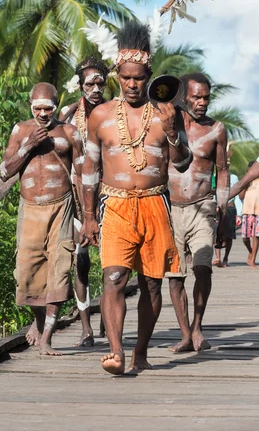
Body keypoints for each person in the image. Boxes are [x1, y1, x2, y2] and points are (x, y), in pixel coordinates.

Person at [81, 20, 192, 375]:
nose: (132, 84)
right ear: (117, 73)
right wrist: (88, 216)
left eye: (139, 77)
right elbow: (88, 172)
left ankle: (140, 352)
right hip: (113, 205)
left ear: (150, 75)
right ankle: (115, 352)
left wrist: (173, 131)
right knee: (113, 277)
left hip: (155, 204)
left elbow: (184, 162)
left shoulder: (167, 115)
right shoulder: (100, 116)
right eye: (126, 77)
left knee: (151, 284)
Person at [0, 82, 83, 355]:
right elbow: (5, 171)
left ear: (56, 107)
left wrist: (88, 217)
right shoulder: (20, 130)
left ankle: (47, 337)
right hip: (30, 208)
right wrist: (28, 146)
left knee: (60, 270)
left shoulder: (70, 133)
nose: (43, 114)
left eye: (49, 108)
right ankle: (38, 320)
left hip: (62, 206)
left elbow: (81, 178)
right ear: (30, 105)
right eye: (38, 108)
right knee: (27, 273)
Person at [167, 73, 229, 353]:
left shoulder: (216, 129)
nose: (202, 102)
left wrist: (224, 209)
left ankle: (197, 328)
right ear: (183, 96)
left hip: (203, 206)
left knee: (203, 268)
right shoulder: (167, 125)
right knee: (175, 275)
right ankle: (184, 334)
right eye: (196, 96)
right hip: (170, 208)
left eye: (206, 97)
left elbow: (223, 170)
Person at [59, 57, 110, 348]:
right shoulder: (66, 116)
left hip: (108, 194)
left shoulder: (114, 113)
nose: (95, 88)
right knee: (81, 261)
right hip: (77, 196)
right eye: (89, 83)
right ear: (80, 85)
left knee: (111, 261)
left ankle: (108, 316)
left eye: (100, 83)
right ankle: (86, 328)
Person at [239, 161, 259, 268]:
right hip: (247, 212)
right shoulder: (247, 181)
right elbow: (241, 197)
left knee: (256, 236)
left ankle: (253, 259)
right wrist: (245, 184)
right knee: (245, 237)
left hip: (258, 212)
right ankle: (250, 251)